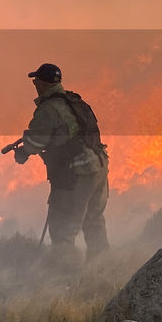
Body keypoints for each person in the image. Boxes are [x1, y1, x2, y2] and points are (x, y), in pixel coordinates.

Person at [12, 63, 109, 261]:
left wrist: (22, 153)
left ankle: (63, 280)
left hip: (76, 174)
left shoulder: (49, 109)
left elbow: (35, 141)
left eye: (36, 81)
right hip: (99, 166)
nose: (35, 84)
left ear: (42, 83)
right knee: (94, 222)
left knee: (63, 230)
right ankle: (104, 272)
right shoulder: (73, 101)